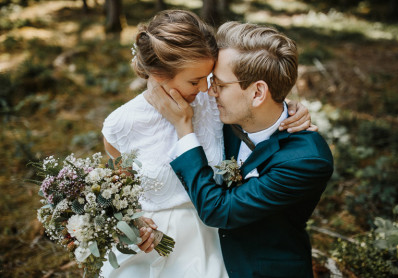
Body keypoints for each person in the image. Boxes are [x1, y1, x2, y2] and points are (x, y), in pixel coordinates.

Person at [101, 10, 313, 278]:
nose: (205, 88)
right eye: (194, 80)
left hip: (210, 245)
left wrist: (289, 108)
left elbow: (255, 104)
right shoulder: (120, 125)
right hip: (150, 249)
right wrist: (134, 224)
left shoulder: (213, 106)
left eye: (209, 76)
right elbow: (120, 194)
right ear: (159, 74)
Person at [145, 21, 334, 277]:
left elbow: (219, 210)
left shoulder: (306, 160)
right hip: (202, 260)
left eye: (220, 85)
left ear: (258, 93)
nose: (209, 92)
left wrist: (184, 129)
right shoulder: (224, 114)